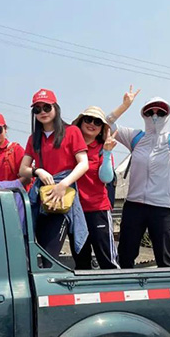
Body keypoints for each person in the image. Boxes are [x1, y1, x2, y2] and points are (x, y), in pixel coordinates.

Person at [108, 89, 170, 268]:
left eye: (160, 112)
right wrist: (124, 106)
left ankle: (168, 293)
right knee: (125, 257)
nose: (155, 115)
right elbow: (107, 125)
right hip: (134, 205)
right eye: (150, 111)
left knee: (165, 260)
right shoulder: (135, 137)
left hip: (162, 208)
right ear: (144, 114)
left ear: (167, 115)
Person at [19, 88, 89, 260]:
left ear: (56, 108)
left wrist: (63, 184)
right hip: (42, 198)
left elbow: (83, 164)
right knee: (37, 251)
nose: (42, 112)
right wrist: (38, 171)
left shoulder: (72, 131)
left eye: (47, 107)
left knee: (49, 255)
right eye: (37, 109)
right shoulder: (33, 138)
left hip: (62, 198)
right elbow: (23, 170)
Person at [70, 106, 120, 269]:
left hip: (98, 209)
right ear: (80, 122)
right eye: (88, 119)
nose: (92, 124)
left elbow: (106, 177)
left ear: (101, 129)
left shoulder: (102, 149)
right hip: (75, 210)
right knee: (81, 260)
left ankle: (116, 292)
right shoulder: (69, 147)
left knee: (107, 259)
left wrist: (106, 152)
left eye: (97, 122)